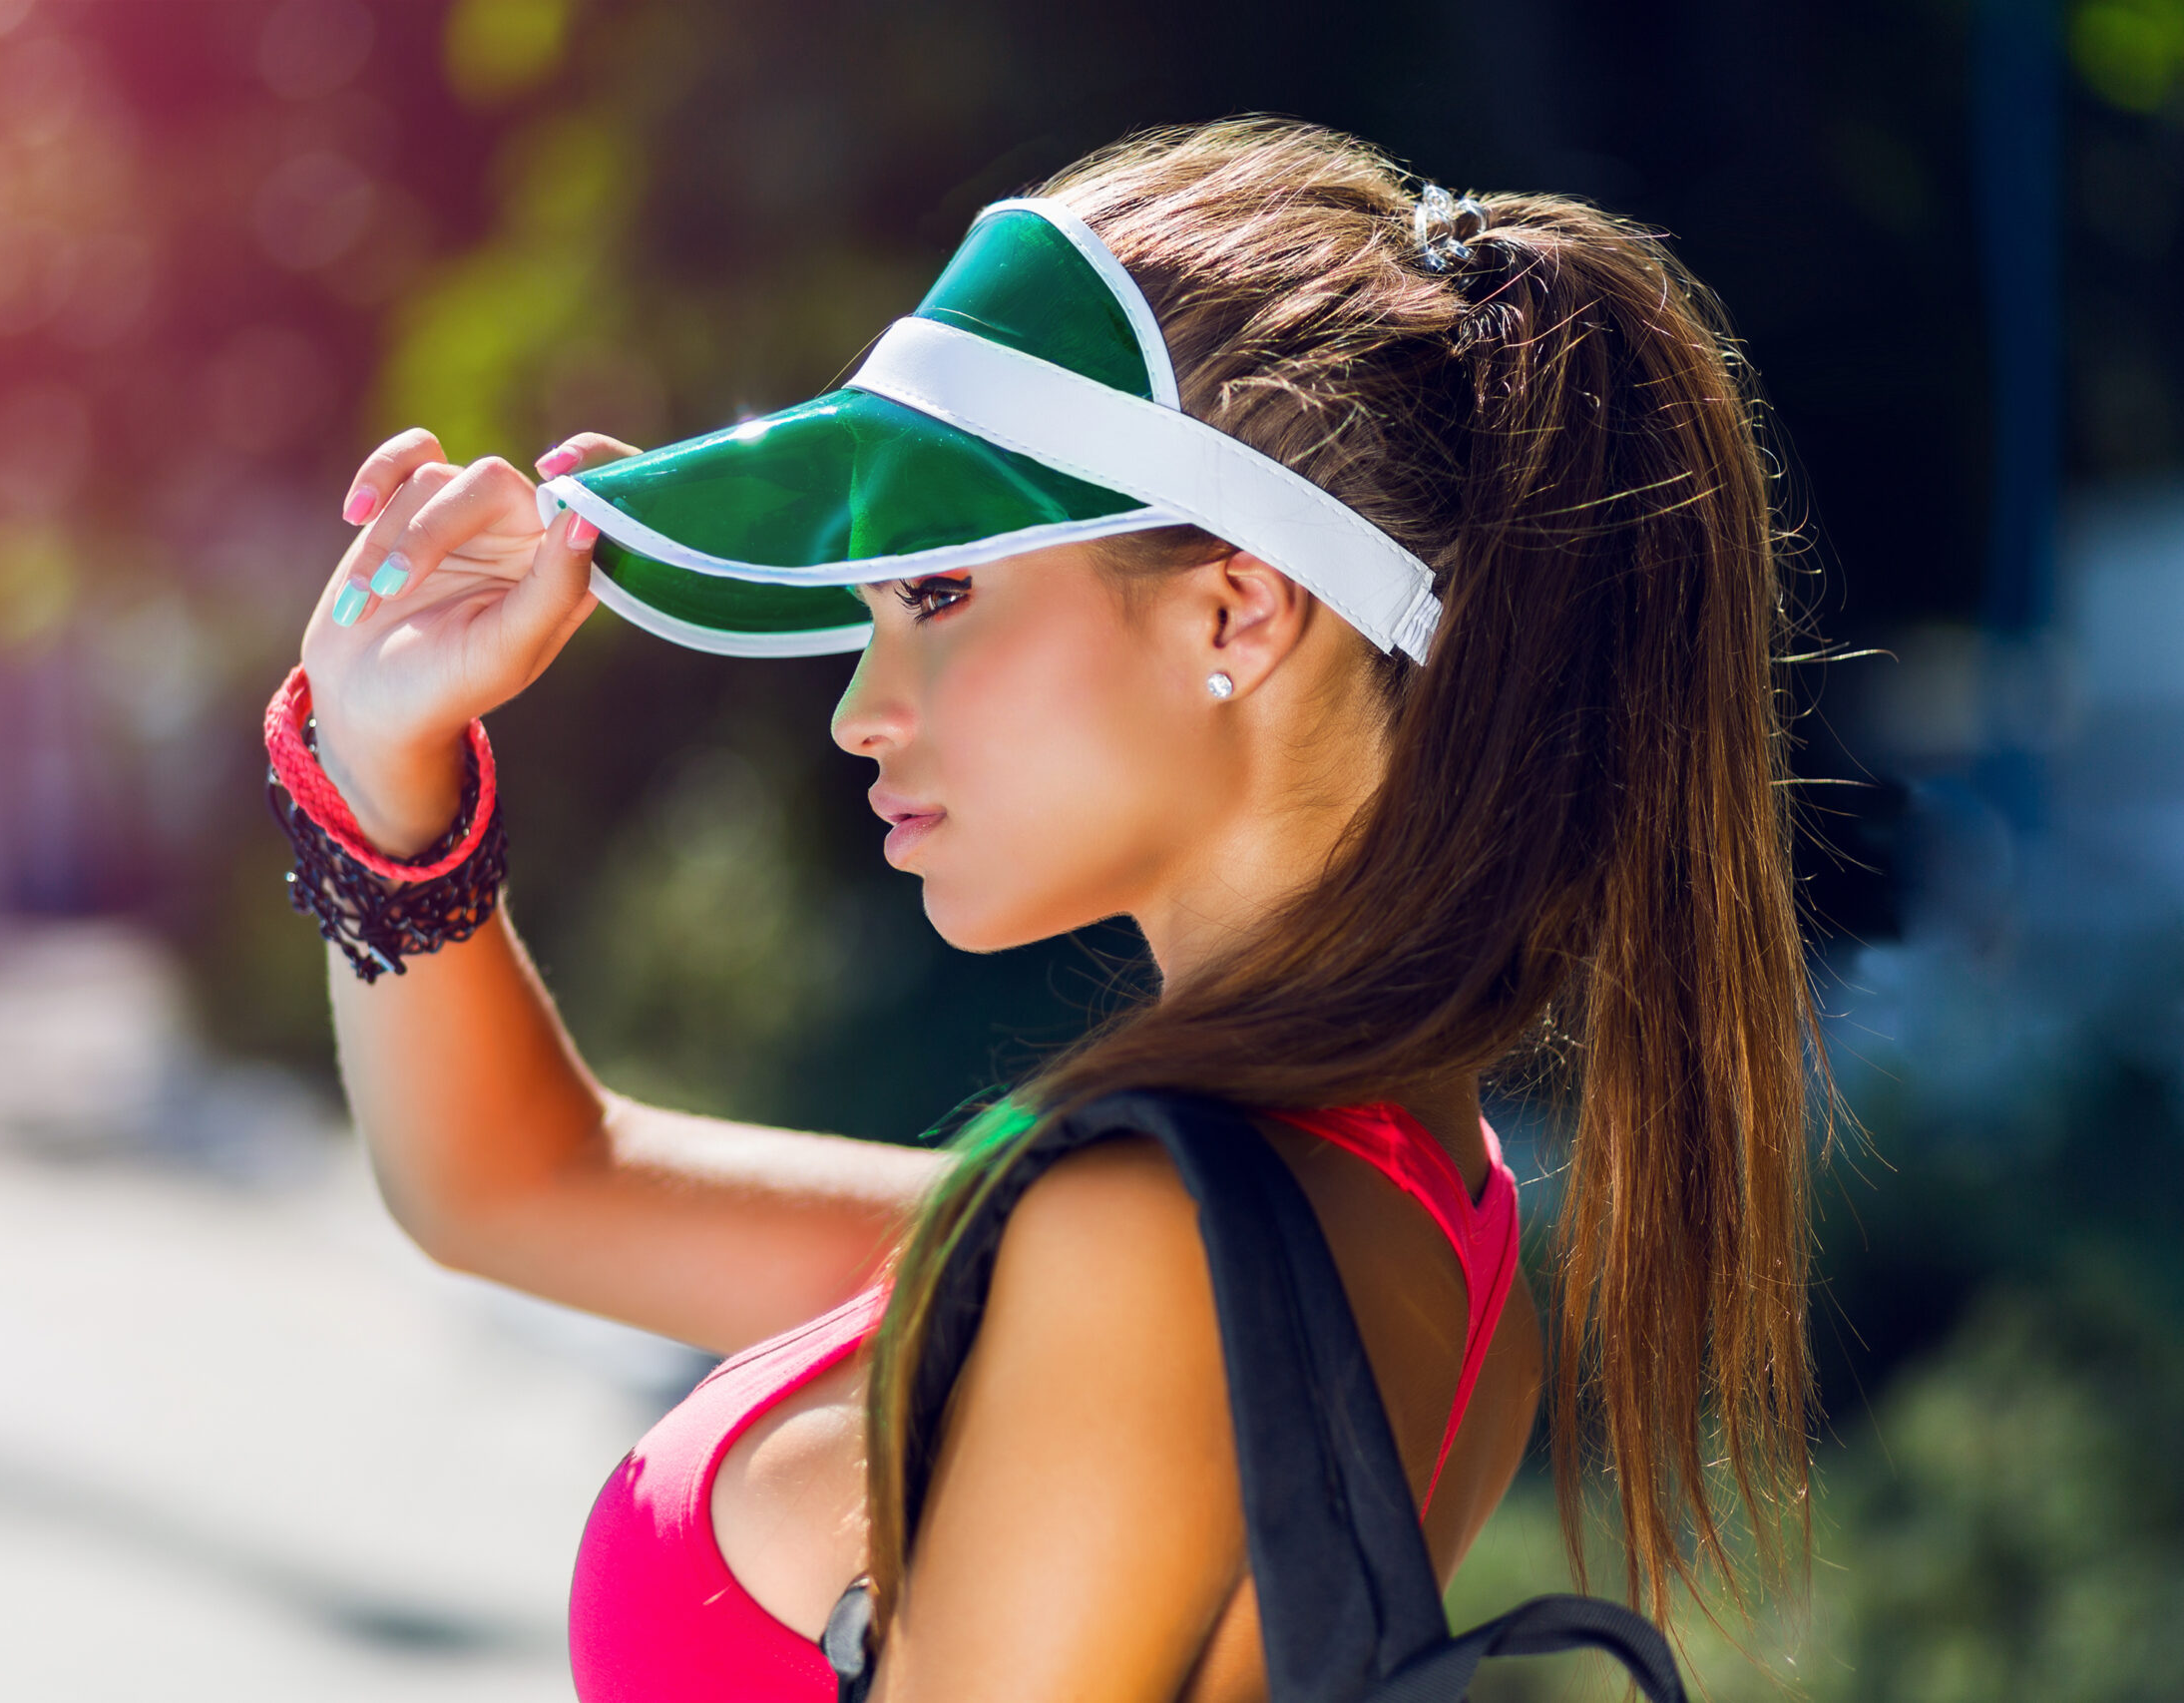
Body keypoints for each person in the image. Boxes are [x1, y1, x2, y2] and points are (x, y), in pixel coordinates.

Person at [266, 118, 1817, 1701]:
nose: (859, 711)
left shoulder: (1147, 1244)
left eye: (936, 592)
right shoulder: (1394, 1198)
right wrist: (385, 774)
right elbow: (516, 1180)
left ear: (1238, 606)